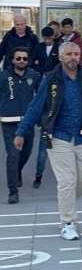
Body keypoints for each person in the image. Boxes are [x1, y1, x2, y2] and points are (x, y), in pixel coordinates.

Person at [15, 42, 82, 240]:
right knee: (67, 181)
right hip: (59, 137)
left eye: (76, 54)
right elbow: (35, 106)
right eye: (69, 54)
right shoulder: (51, 79)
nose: (73, 57)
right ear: (61, 57)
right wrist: (21, 132)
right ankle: (68, 222)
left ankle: (65, 206)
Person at [1, 48, 40, 203]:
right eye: (18, 58)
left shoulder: (34, 75)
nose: (22, 61)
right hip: (9, 123)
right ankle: (13, 192)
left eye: (24, 58)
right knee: (13, 155)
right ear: (12, 60)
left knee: (26, 153)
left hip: (27, 123)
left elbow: (41, 96)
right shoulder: (3, 76)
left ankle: (17, 171)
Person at [32, 26, 61, 189]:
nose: (47, 41)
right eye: (45, 38)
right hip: (43, 78)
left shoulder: (58, 48)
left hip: (53, 79)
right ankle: (38, 175)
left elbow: (59, 65)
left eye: (49, 38)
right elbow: (33, 62)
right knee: (42, 151)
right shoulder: (39, 47)